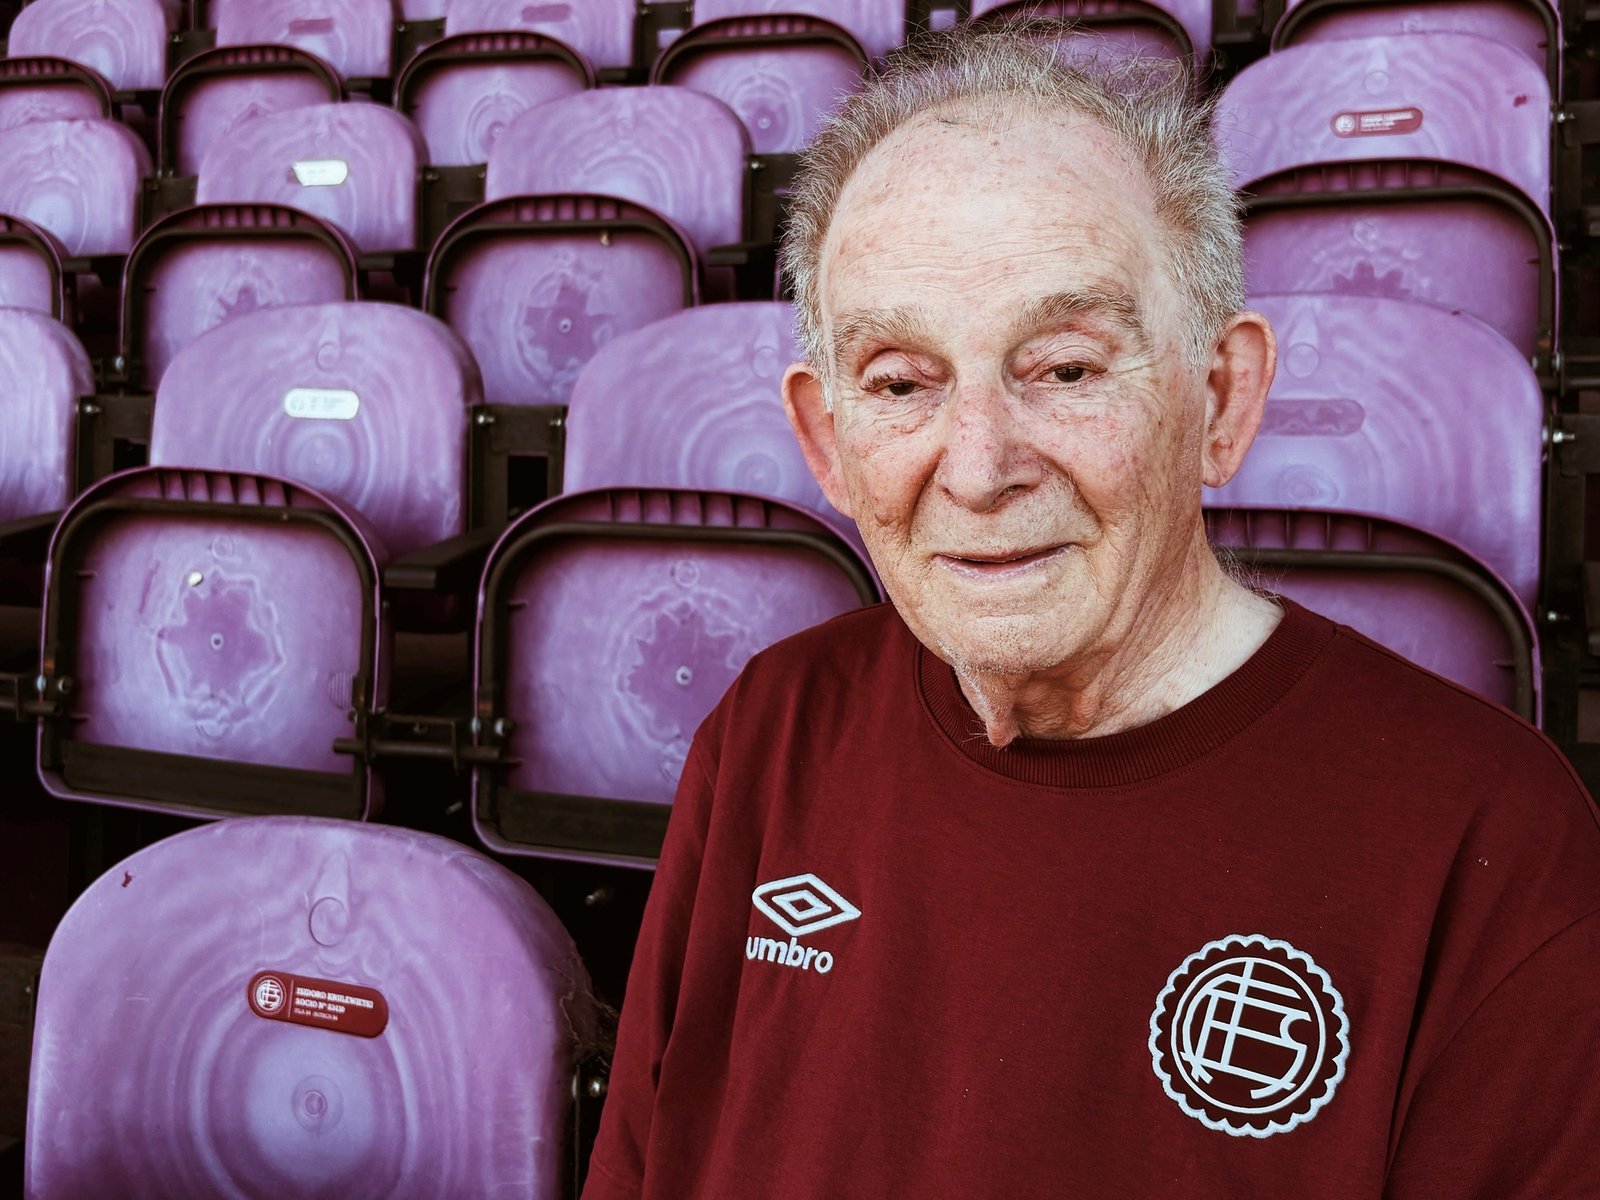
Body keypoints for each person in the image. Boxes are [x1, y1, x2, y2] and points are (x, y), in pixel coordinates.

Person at [582, 23, 1600, 1198]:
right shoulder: (770, 726)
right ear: (825, 441)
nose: (976, 468)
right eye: (901, 386)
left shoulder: (1494, 843)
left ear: (1221, 400)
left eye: (1064, 369)